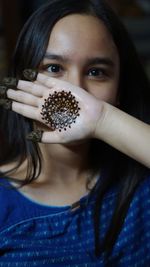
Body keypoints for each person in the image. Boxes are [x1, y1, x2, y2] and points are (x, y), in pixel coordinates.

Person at [0, 0, 150, 266]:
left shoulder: (140, 183)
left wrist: (103, 119)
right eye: (54, 69)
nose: (75, 92)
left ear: (119, 90)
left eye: (96, 72)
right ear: (23, 83)